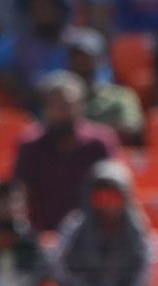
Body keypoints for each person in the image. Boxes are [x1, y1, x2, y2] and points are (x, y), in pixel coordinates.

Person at [53, 159, 152, 286]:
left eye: (114, 198)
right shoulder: (75, 227)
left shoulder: (137, 230)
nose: (107, 205)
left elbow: (144, 272)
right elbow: (59, 267)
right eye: (101, 198)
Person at [13, 70, 118, 233]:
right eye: (54, 105)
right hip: (43, 236)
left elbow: (112, 192)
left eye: (68, 105)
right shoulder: (31, 145)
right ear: (46, 108)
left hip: (92, 237)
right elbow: (20, 194)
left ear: (81, 106)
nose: (62, 111)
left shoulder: (100, 143)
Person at [65, 26, 145, 145]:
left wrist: (86, 132)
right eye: (75, 58)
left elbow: (131, 130)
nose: (80, 62)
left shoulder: (121, 95)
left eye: (86, 58)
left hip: (110, 157)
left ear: (100, 60)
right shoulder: (61, 98)